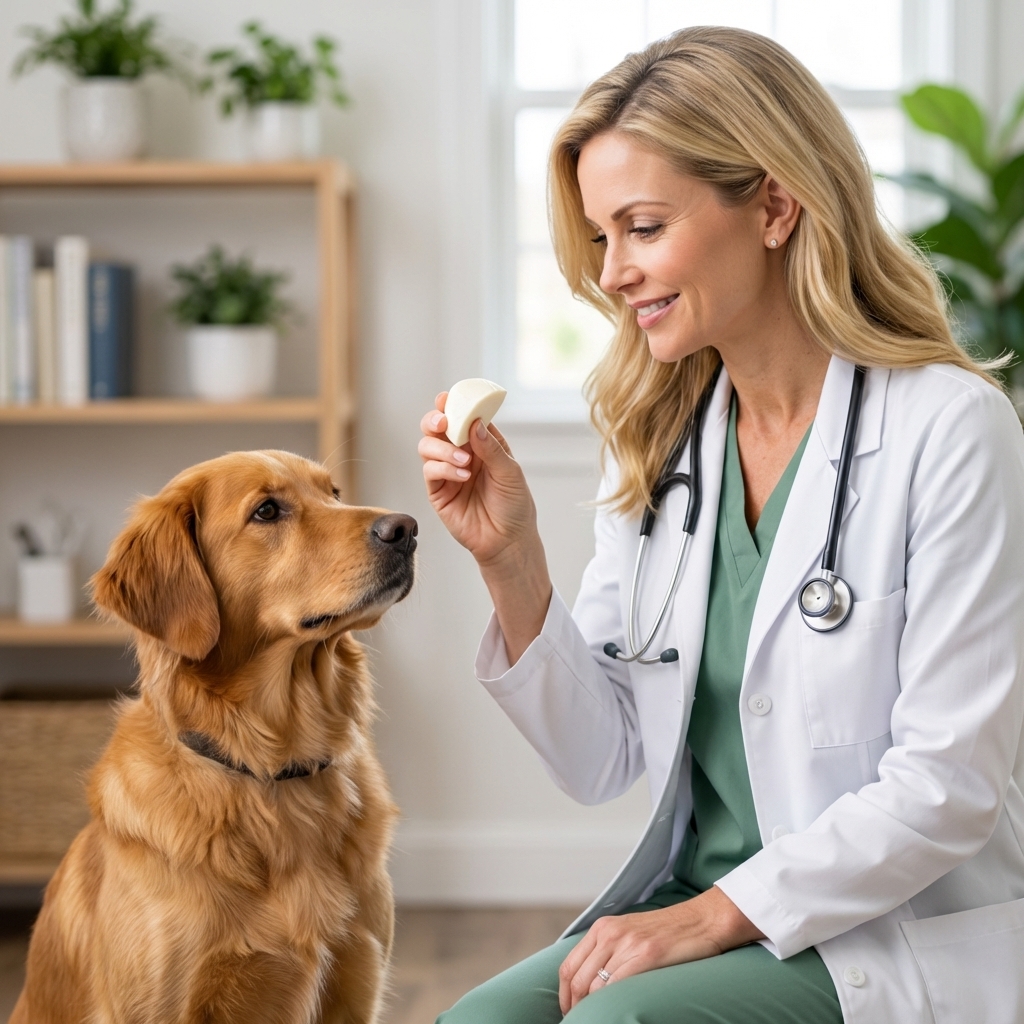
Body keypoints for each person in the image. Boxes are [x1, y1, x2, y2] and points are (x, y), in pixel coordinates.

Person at [418, 26, 1024, 1024]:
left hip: (880, 931)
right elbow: (600, 757)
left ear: (775, 207)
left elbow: (948, 785)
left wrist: (708, 917)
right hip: (700, 904)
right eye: (601, 237)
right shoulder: (661, 437)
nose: (612, 272)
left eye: (642, 227)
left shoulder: (949, 428)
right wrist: (509, 558)